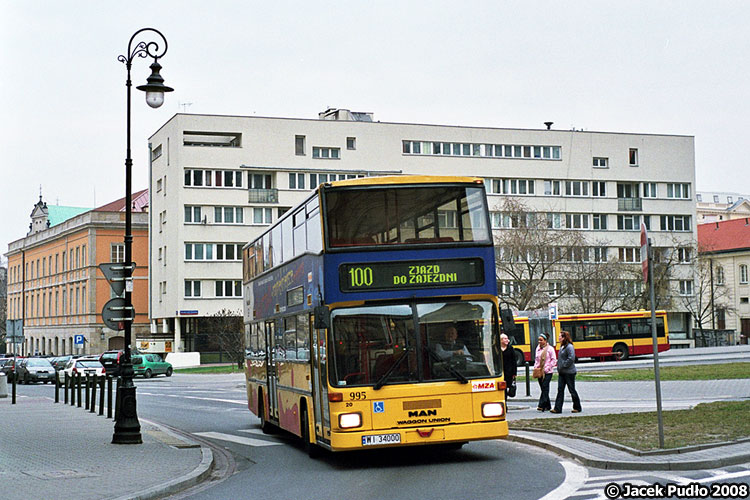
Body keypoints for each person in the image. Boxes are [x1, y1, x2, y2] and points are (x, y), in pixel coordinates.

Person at [550, 330, 582, 414]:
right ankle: (557, 408)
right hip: (562, 372)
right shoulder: (562, 347)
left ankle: (577, 407)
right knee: (560, 389)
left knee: (572, 389)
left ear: (564, 338)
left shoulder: (569, 347)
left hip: (569, 372)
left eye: (560, 336)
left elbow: (571, 358)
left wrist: (563, 365)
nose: (559, 338)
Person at [533, 333, 556, 411]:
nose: (539, 341)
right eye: (538, 340)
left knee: (545, 387)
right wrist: (535, 367)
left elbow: (554, 360)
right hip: (539, 371)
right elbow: (536, 359)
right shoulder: (537, 348)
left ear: (545, 340)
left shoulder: (550, 349)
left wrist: (548, 368)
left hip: (548, 372)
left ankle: (541, 404)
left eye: (541, 340)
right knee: (543, 388)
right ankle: (548, 405)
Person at [500, 333, 517, 397]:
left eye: (507, 338)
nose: (507, 340)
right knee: (502, 388)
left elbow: (514, 361)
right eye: (505, 339)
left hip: (509, 372)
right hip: (500, 372)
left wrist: (514, 373)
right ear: (501, 340)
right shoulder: (497, 348)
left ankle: (505, 399)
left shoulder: (510, 348)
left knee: (507, 386)